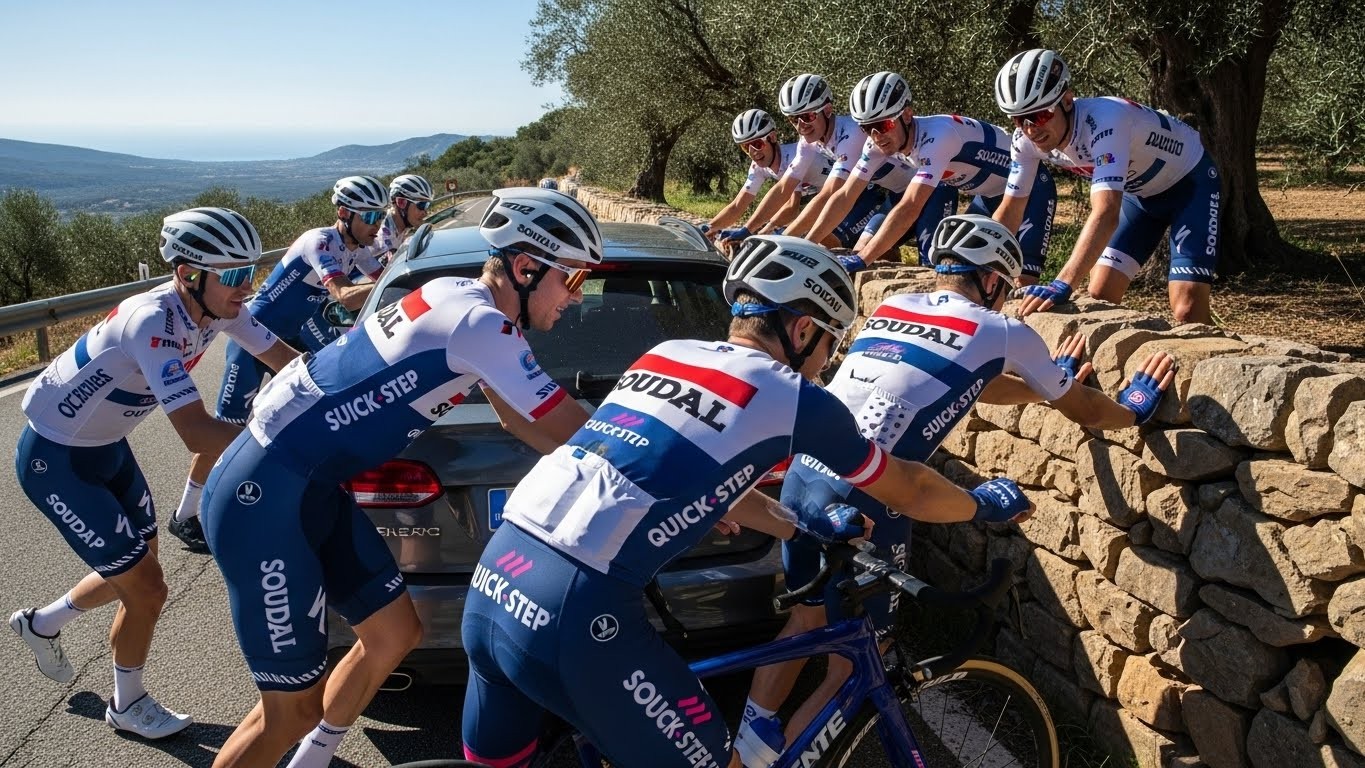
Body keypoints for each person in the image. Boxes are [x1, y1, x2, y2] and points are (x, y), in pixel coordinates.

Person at [459, 234, 1038, 768]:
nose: (827, 361)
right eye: (830, 341)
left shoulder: (666, 354)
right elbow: (908, 489)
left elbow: (686, 474)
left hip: (496, 578)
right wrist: (982, 503)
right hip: (578, 614)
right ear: (804, 330)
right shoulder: (794, 395)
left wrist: (799, 530)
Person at [735, 215, 1175, 761]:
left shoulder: (894, 307)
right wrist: (1131, 408)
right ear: (992, 280)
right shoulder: (1003, 330)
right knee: (859, 660)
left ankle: (749, 745)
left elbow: (967, 384)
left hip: (805, 477)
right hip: (871, 498)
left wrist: (1042, 388)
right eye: (1006, 288)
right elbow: (1085, 410)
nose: (1006, 298)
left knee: (806, 620)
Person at [199, 187, 602, 768]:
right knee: (288, 711)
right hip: (263, 493)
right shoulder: (482, 326)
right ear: (525, 267)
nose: (577, 296)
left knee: (394, 634)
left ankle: (310, 760)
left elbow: (520, 420)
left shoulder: (454, 294)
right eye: (573, 278)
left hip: (309, 483)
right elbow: (576, 433)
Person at [9, 208, 297, 739]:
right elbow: (196, 432)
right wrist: (295, 447)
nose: (247, 286)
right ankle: (127, 704)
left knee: (140, 570)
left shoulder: (217, 308)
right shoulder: (151, 322)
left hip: (106, 447)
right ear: (189, 274)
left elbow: (288, 361)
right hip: (56, 460)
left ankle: (41, 623)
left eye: (251, 271)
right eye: (235, 274)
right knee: (147, 588)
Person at [168, 175, 390, 553]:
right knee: (227, 427)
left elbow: (381, 280)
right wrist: (399, 285)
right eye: (369, 215)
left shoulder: (359, 248)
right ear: (344, 213)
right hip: (250, 337)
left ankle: (300, 493)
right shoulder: (320, 242)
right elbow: (345, 295)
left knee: (316, 406)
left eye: (380, 215)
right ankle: (185, 514)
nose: (377, 224)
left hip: (287, 339)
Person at [992, 48, 1220, 323]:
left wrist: (1062, 282)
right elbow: (1011, 210)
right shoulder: (1024, 141)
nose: (1031, 129)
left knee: (1187, 309)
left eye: (1039, 115)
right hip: (1139, 196)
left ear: (1067, 100)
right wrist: (979, 267)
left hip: (1189, 185)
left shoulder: (1104, 121)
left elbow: (1106, 212)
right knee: (1100, 293)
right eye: (1019, 119)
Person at [810, 71, 1057, 279]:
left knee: (1021, 281)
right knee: (962, 270)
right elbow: (845, 195)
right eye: (867, 128)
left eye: (884, 125)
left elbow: (910, 206)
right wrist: (808, 245)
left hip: (1032, 189)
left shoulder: (938, 136)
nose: (877, 136)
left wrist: (863, 258)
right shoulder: (876, 144)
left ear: (907, 114)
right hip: (987, 196)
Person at [718, 75, 891, 254]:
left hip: (875, 194)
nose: (801, 126)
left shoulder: (850, 133)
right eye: (794, 119)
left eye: (808, 116)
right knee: (852, 248)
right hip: (871, 192)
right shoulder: (807, 142)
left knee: (850, 248)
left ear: (828, 109)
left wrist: (784, 242)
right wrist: (748, 229)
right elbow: (783, 188)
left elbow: (827, 195)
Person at [702, 109, 831, 240]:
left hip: (839, 192)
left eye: (757, 144)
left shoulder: (794, 157)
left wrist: (755, 231)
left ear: (773, 137)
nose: (753, 152)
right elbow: (737, 206)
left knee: (818, 233)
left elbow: (792, 207)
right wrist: (709, 227)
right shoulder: (757, 166)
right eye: (746, 147)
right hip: (821, 197)